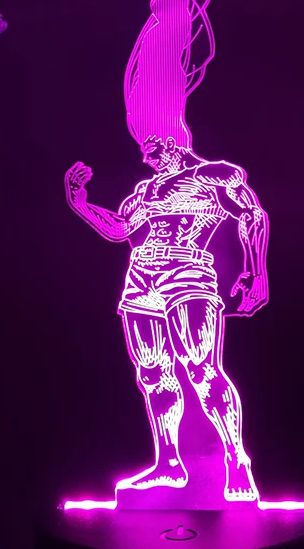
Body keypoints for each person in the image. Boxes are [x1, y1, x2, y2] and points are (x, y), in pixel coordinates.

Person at [64, 131, 268, 501]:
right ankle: (168, 464)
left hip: (187, 271)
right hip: (142, 275)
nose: (147, 160)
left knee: (202, 369)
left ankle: (237, 459)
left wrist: (256, 272)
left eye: (153, 151)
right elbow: (119, 230)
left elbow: (252, 214)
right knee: (152, 373)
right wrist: (80, 203)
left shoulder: (213, 175)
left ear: (172, 144)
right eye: (145, 154)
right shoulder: (145, 190)